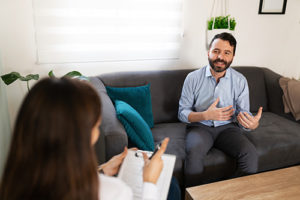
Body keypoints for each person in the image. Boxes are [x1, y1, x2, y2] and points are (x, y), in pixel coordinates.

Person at [0, 77, 169, 200]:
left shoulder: (12, 187)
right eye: (97, 126)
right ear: (82, 136)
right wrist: (149, 182)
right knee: (171, 188)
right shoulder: (111, 192)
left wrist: (102, 169)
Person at [178, 32, 263, 187]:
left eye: (226, 53)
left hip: (228, 129)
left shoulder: (240, 81)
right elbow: (182, 112)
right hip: (200, 128)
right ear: (208, 52)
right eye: (216, 51)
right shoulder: (192, 78)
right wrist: (205, 115)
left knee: (250, 154)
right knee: (194, 155)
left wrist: (251, 124)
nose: (220, 57)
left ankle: (229, 194)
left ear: (233, 56)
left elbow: (243, 114)